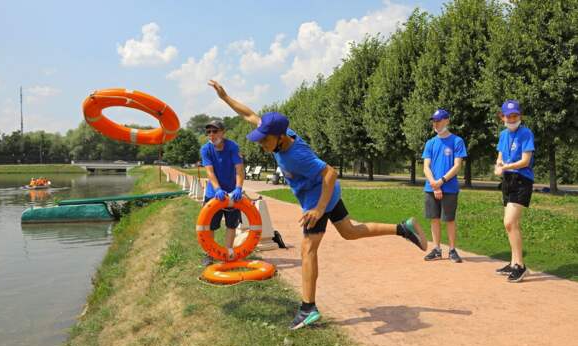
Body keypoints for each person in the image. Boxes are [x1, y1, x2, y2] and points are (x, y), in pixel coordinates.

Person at [208, 80, 428, 330]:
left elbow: (331, 173)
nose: (261, 144)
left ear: (279, 137)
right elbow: (249, 114)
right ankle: (403, 228)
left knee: (307, 250)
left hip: (319, 197)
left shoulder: (295, 155)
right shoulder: (278, 135)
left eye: (264, 140)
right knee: (350, 232)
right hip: (325, 194)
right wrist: (225, 97)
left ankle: (307, 308)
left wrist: (319, 209)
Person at [494, 99, 535, 283]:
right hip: (508, 179)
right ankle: (513, 263)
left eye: (515, 115)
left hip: (521, 179)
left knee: (509, 222)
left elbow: (526, 160)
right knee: (512, 224)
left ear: (520, 116)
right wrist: (498, 166)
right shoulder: (503, 134)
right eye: (508, 116)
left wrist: (507, 166)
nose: (512, 118)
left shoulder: (526, 133)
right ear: (502, 117)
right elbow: (500, 156)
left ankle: (520, 266)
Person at [422, 109, 468, 263]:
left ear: (447, 121)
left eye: (439, 120)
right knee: (434, 219)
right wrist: (434, 185)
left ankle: (452, 250)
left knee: (449, 219)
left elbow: (457, 167)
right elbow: (426, 167)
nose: (436, 123)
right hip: (431, 187)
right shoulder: (430, 143)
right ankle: (436, 249)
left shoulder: (457, 141)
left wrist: (440, 182)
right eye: (434, 121)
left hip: (449, 187)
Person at [200, 119, 245, 266]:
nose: (211, 134)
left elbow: (239, 169)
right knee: (210, 226)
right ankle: (209, 254)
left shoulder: (232, 147)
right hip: (214, 193)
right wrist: (218, 189)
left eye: (215, 131)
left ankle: (227, 253)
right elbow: (210, 172)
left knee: (231, 225)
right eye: (209, 132)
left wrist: (238, 187)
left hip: (233, 193)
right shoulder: (205, 149)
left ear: (222, 132)